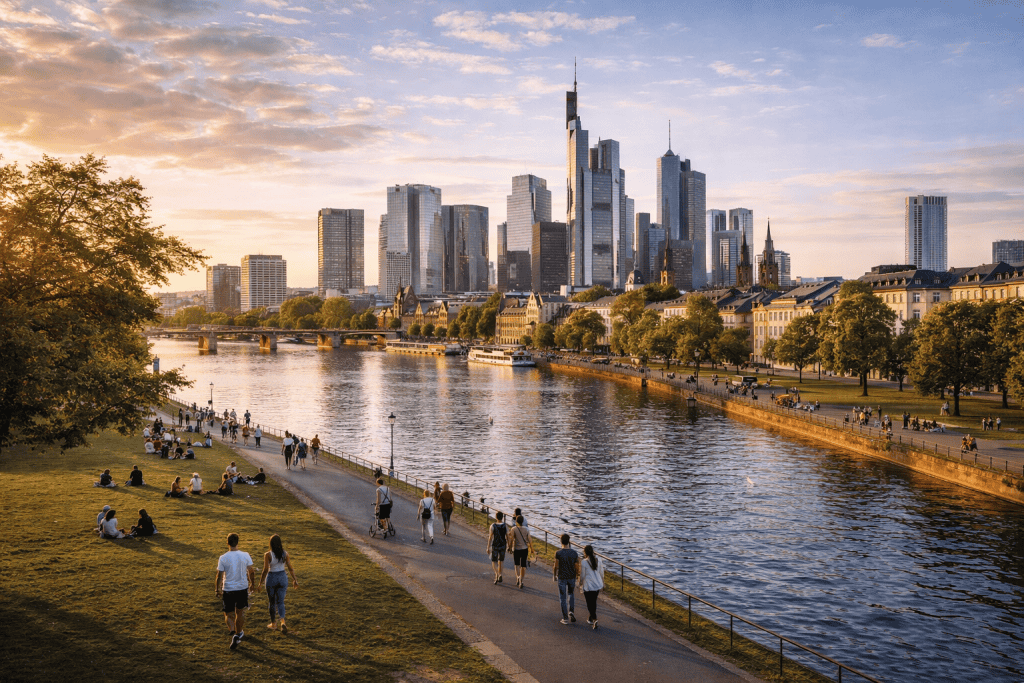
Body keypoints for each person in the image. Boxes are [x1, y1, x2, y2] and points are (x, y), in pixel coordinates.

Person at [215, 533, 255, 650]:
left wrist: (217, 589)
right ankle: (238, 634)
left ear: (227, 543)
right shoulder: (245, 555)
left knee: (228, 613)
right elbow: (251, 571)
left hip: (228, 589)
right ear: (237, 542)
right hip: (242, 588)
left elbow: (219, 575)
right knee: (240, 612)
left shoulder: (223, 557)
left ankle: (233, 630)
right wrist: (252, 583)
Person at [257, 534, 299, 633]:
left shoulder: (268, 554)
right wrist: (295, 580)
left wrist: (260, 583)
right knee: (281, 602)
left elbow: (265, 569)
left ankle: (273, 624)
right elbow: (290, 568)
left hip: (272, 577)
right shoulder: (285, 554)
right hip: (282, 577)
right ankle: (283, 622)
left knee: (272, 602)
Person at [553, 533, 581, 624]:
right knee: (571, 594)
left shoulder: (558, 553)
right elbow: (577, 566)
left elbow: (555, 566)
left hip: (562, 577)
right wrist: (577, 575)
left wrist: (554, 575)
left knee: (562, 598)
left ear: (561, 541)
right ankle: (571, 611)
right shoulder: (574, 553)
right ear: (569, 541)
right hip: (571, 577)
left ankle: (565, 618)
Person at [579, 545, 605, 629]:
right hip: (597, 585)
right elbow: (602, 573)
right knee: (593, 602)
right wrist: (603, 583)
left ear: (585, 552)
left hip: (588, 586)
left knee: (589, 604)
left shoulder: (584, 562)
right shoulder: (599, 560)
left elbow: (582, 575)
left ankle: (595, 619)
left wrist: (580, 583)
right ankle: (590, 618)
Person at [486, 511, 509, 584]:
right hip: (503, 545)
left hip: (495, 545)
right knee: (501, 561)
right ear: (502, 517)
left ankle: (497, 574)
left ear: (496, 517)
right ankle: (500, 574)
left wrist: (488, 547)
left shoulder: (492, 526)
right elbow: (508, 536)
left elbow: (490, 537)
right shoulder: (505, 526)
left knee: (494, 561)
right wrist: (509, 545)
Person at [511, 515, 533, 589]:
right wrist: (532, 549)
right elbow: (530, 540)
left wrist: (510, 547)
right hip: (524, 549)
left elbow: (511, 539)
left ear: (516, 521)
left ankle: (517, 577)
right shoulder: (526, 529)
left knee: (516, 564)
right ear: (523, 521)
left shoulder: (513, 529)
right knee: (523, 566)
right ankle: (521, 580)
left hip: (516, 549)